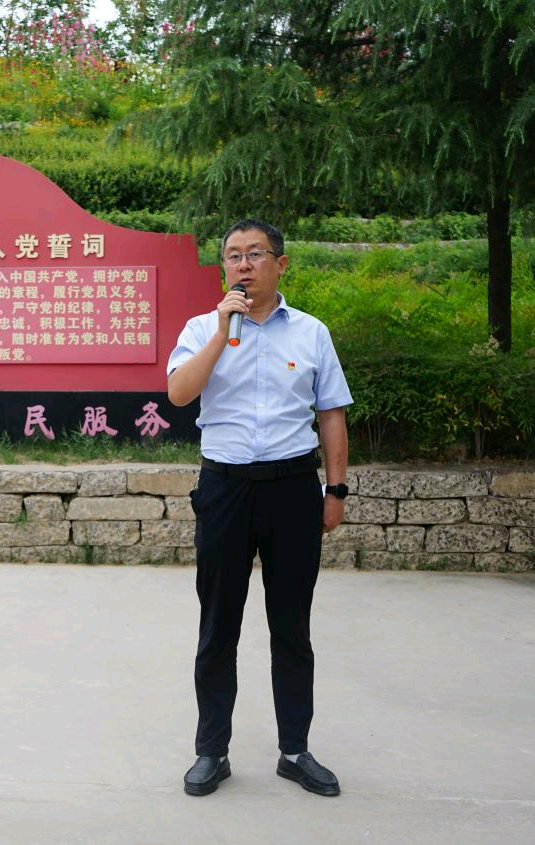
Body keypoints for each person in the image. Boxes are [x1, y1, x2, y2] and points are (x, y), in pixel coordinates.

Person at [166, 218, 352, 798]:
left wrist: (336, 490)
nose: (243, 264)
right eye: (233, 255)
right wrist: (224, 331)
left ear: (281, 263)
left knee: (292, 626)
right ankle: (211, 752)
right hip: (225, 489)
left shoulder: (311, 333)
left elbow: (331, 413)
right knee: (218, 625)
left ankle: (295, 751)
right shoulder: (202, 328)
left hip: (293, 489)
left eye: (255, 254)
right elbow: (179, 393)